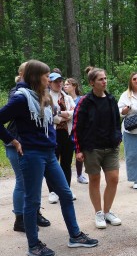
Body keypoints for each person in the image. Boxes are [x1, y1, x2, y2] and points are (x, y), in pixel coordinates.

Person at [0, 60, 98, 256]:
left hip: (49, 153)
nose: (49, 79)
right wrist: (13, 141)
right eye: (46, 76)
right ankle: (34, 246)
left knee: (65, 193)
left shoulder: (42, 95)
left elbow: (50, 119)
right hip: (32, 155)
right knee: (32, 201)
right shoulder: (21, 98)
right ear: (36, 77)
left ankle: (75, 236)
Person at [73, 67, 122, 229]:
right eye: (101, 79)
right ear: (92, 82)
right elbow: (77, 126)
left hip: (111, 147)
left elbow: (117, 121)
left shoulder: (111, 99)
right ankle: (98, 213)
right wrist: (78, 149)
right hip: (92, 148)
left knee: (113, 179)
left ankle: (108, 212)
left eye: (105, 78)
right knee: (94, 179)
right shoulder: (85, 101)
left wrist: (118, 138)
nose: (104, 81)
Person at [5, 62, 50, 232]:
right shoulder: (18, 93)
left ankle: (34, 213)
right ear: (25, 74)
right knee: (23, 181)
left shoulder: (36, 92)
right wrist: (13, 140)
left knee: (35, 180)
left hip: (31, 144)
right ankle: (20, 219)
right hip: (17, 143)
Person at [46, 72, 76, 204]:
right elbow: (51, 117)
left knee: (66, 163)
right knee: (52, 163)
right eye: (55, 81)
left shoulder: (67, 97)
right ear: (50, 83)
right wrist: (63, 115)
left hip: (67, 134)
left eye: (60, 81)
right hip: (52, 134)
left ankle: (66, 189)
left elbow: (73, 113)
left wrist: (61, 114)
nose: (59, 84)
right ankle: (52, 191)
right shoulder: (46, 97)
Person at [63, 78, 88, 184]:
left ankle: (79, 175)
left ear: (74, 86)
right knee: (65, 156)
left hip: (78, 131)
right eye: (64, 84)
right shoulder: (62, 99)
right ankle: (64, 177)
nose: (65, 86)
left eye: (68, 84)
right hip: (66, 130)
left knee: (79, 153)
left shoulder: (81, 99)